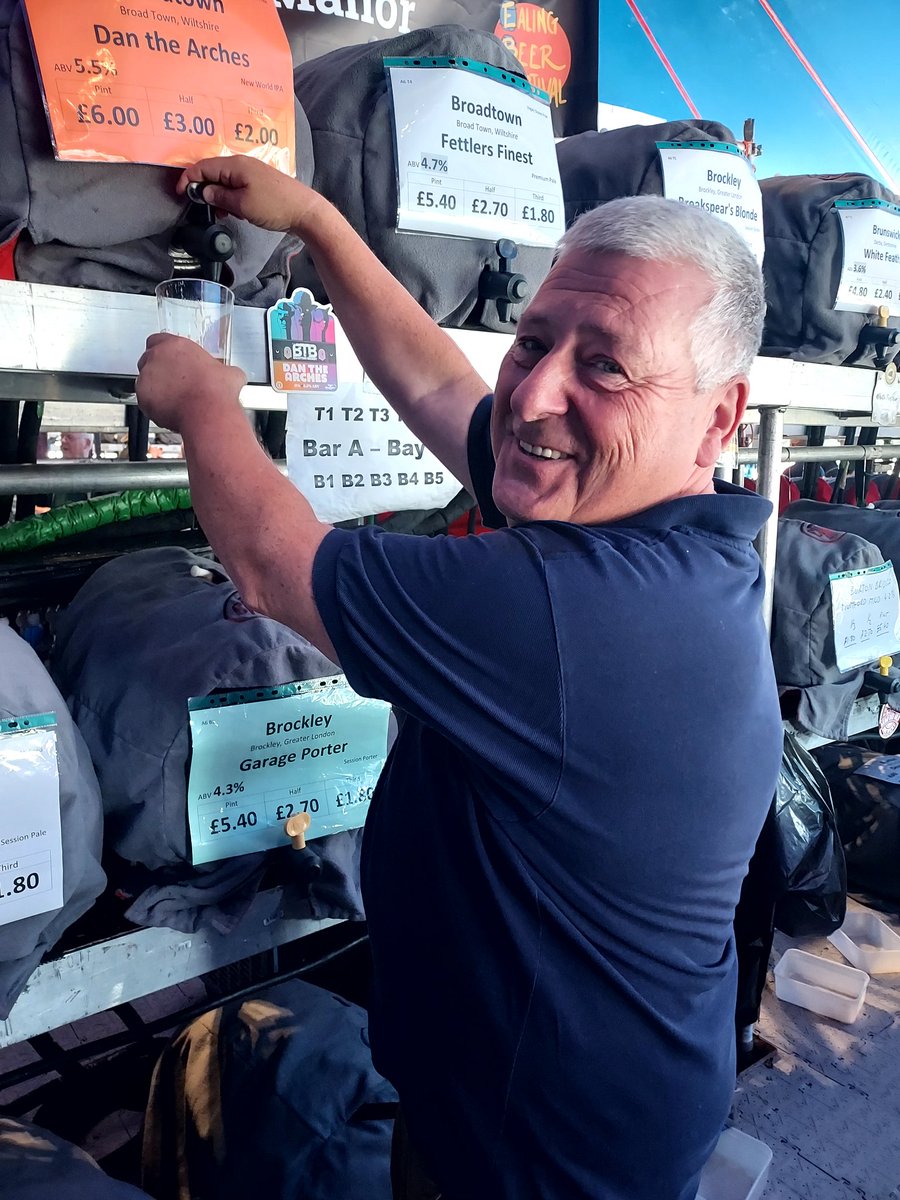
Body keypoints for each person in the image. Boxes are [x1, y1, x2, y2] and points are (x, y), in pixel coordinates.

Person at [135, 156, 783, 1200]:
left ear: (719, 417)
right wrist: (317, 223)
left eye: (607, 366)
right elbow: (442, 389)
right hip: (593, 1113)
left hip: (535, 1159)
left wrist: (205, 403)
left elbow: (270, 562)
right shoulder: (670, 543)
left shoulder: (576, 609)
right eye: (532, 340)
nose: (536, 394)